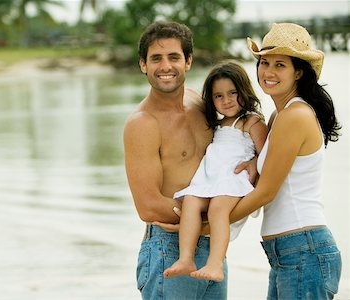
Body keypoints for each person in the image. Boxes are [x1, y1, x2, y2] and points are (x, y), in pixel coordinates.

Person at [123, 21, 256, 300]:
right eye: (156, 58)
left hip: (213, 250)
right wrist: (203, 220)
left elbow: (237, 142)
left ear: (188, 62)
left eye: (174, 57)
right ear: (143, 65)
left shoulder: (200, 104)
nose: (165, 66)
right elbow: (147, 206)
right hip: (169, 248)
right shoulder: (142, 124)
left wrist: (254, 164)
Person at [226, 23, 342, 299]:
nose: (268, 72)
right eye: (264, 62)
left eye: (280, 65)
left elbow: (266, 192)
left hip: (304, 249)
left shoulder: (295, 115)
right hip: (289, 252)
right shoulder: (281, 116)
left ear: (298, 72)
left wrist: (210, 226)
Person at [163, 61, 268, 282]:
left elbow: (268, 154)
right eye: (218, 96)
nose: (226, 100)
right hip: (210, 179)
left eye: (232, 93)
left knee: (218, 209)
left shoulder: (251, 121)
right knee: (191, 201)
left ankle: (215, 263)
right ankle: (186, 258)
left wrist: (254, 161)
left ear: (243, 91)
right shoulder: (218, 124)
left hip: (233, 179)